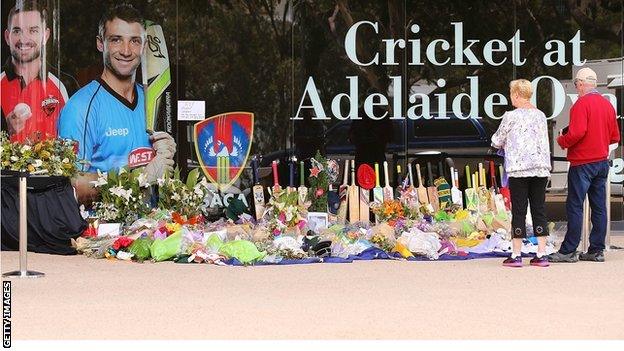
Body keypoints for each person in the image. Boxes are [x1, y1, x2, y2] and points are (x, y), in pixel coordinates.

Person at [58, 3, 176, 205]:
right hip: (102, 233)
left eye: (135, 41)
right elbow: (70, 186)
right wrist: (138, 179)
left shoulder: (154, 103)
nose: (126, 51)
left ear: (144, 46)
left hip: (155, 230)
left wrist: (166, 155)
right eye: (116, 40)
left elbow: (163, 176)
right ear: (100, 43)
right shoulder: (80, 108)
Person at [547, 68, 620, 263]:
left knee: (575, 206)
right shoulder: (608, 105)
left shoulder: (580, 104)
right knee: (599, 207)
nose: (576, 88)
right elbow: (615, 137)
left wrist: (562, 140)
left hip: (582, 163)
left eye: (577, 84)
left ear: (580, 83)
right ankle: (597, 250)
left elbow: (578, 132)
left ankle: (569, 249)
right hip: (601, 162)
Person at [491, 79, 551, 268]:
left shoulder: (510, 116)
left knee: (519, 210)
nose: (511, 98)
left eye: (511, 94)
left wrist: (497, 144)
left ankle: (516, 254)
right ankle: (541, 253)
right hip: (540, 169)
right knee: (538, 208)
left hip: (519, 170)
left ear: (516, 94)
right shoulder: (541, 115)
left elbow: (497, 139)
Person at [1, 1, 69, 143]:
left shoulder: (65, 85)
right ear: (7, 37)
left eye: (33, 30)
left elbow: (76, 141)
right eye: (17, 31)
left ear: (45, 35)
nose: (24, 39)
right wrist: (5, 128)